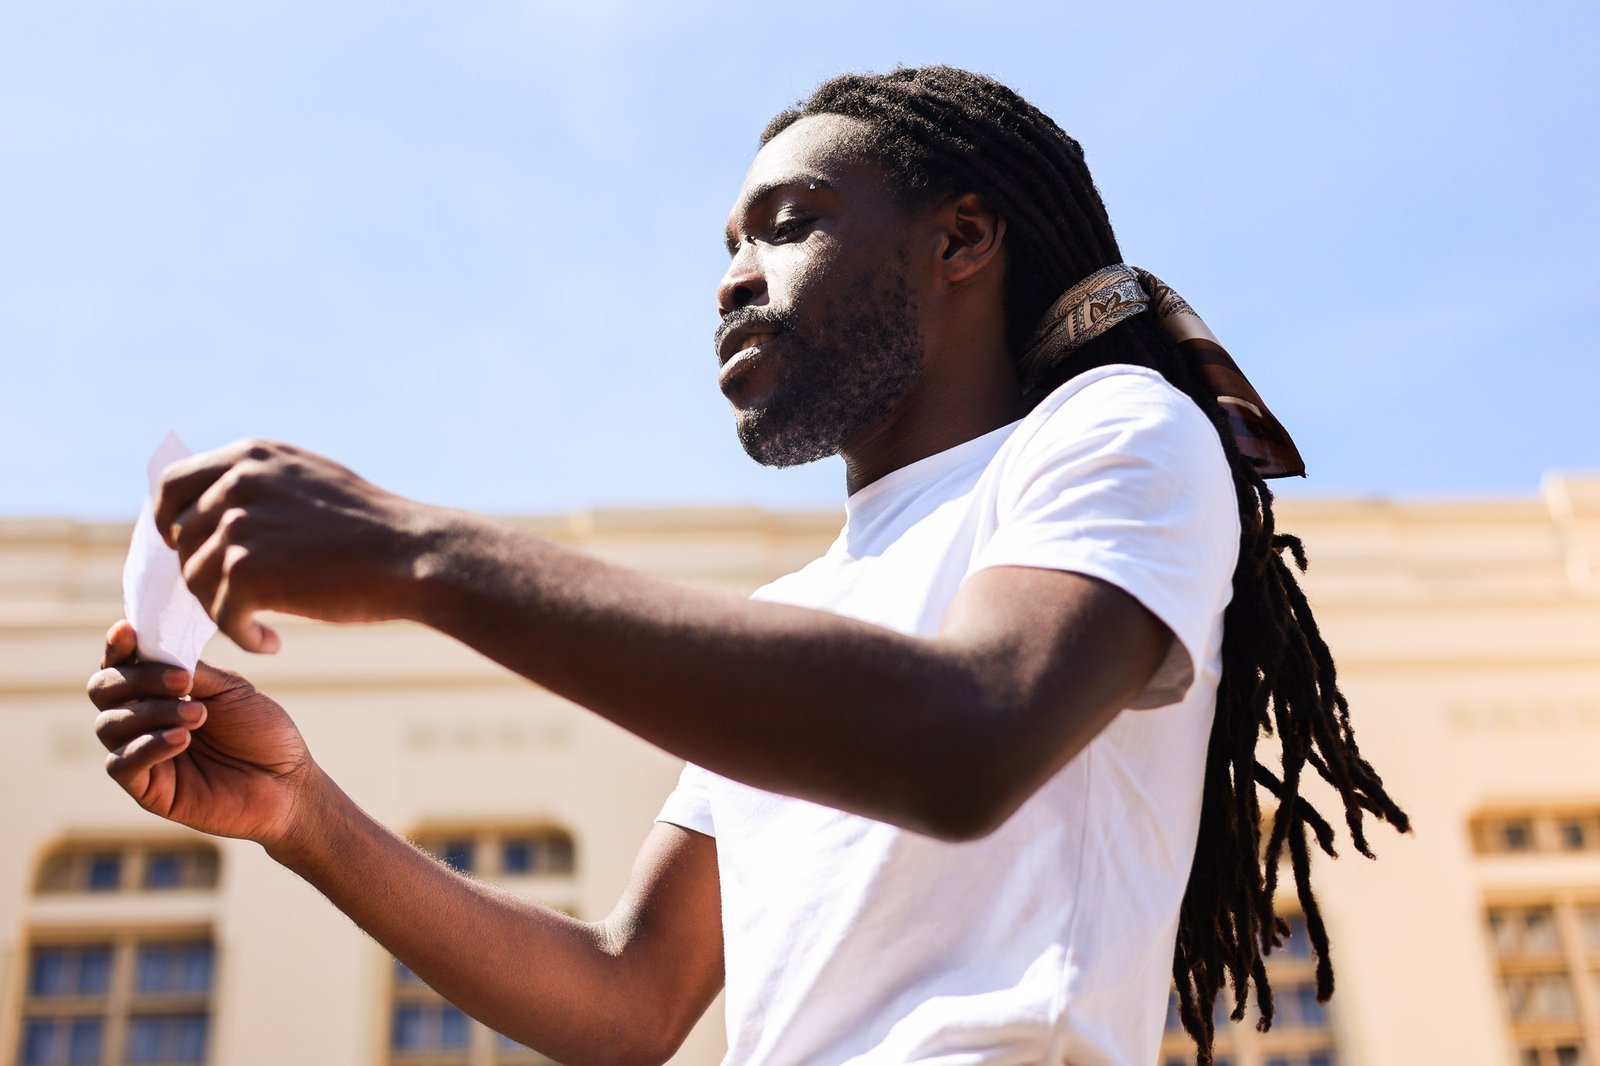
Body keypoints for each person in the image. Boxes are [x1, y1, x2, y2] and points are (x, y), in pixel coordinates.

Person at [85, 67, 1408, 1065]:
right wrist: (305, 812)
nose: (734, 278)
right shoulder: (797, 632)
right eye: (727, 244)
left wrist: (415, 554)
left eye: (787, 223)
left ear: (962, 239)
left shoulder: (1112, 435)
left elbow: (972, 735)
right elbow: (629, 992)